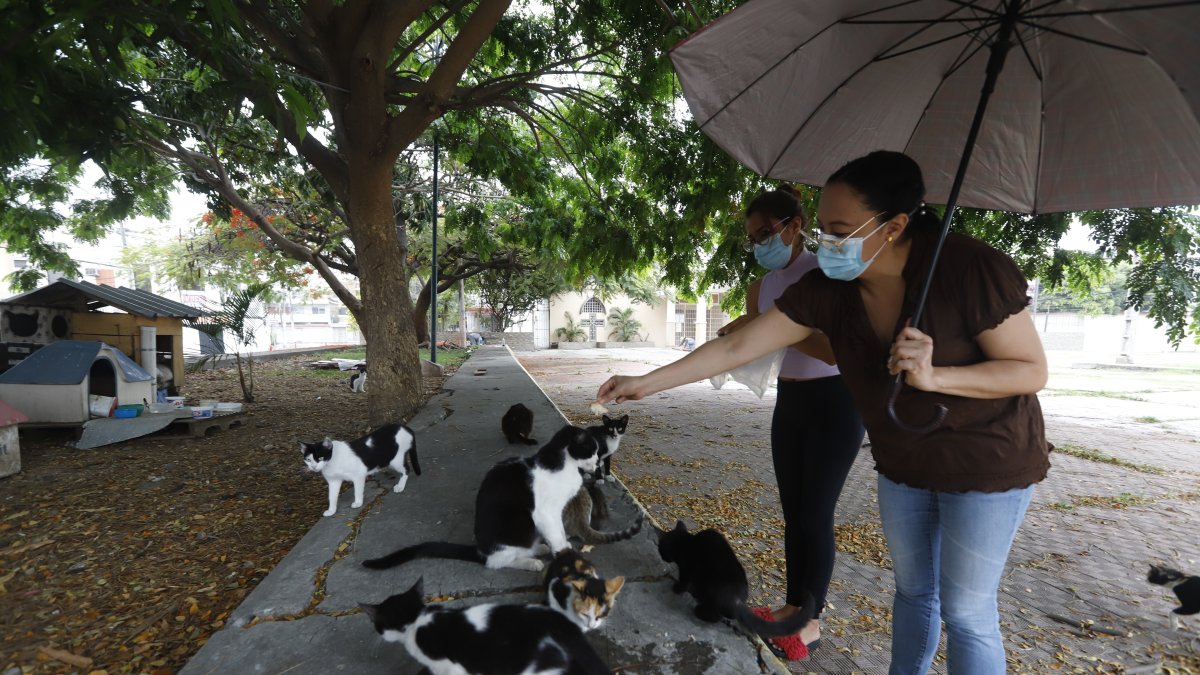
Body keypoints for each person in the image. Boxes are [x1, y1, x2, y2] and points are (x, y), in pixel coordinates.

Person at [597, 151, 1050, 675]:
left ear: (894, 225)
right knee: (914, 595)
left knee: (966, 612)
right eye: (825, 228)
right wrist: (644, 383)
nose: (826, 242)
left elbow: (1029, 370)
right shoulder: (830, 290)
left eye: (839, 229)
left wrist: (936, 376)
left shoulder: (969, 267)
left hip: (986, 461)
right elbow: (735, 348)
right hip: (904, 463)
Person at [716, 188, 865, 659]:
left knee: (816, 514)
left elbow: (834, 349)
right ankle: (791, 607)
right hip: (792, 402)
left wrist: (779, 330)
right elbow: (761, 343)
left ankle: (810, 623)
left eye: (766, 233)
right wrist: (745, 327)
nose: (760, 244)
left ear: (794, 226)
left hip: (837, 402)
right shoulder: (760, 288)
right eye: (752, 238)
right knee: (793, 514)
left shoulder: (826, 273)